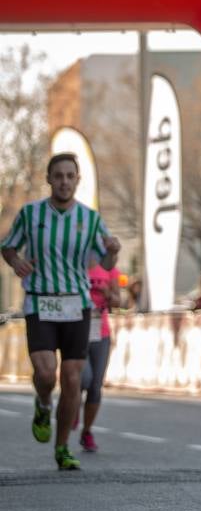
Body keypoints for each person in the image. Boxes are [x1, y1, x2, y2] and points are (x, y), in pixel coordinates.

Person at [1, 153, 121, 471]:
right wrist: (16, 262)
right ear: (49, 179)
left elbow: (105, 264)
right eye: (59, 176)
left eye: (70, 176)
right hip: (40, 301)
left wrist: (113, 252)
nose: (64, 181)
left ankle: (62, 448)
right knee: (44, 373)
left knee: (71, 380)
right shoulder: (30, 213)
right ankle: (42, 403)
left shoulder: (91, 219)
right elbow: (8, 245)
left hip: (76, 304)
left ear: (77, 180)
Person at [77, 258, 125, 452]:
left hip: (101, 332)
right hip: (77, 328)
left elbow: (117, 301)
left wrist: (106, 293)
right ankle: (72, 405)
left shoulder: (110, 268)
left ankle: (87, 431)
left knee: (96, 385)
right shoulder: (75, 262)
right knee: (83, 379)